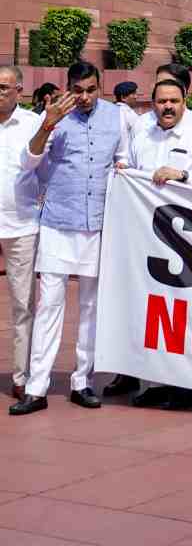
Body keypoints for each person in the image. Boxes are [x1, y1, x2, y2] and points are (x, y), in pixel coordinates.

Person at [11, 62, 129, 416]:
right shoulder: (50, 116)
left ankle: (82, 381)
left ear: (101, 86)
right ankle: (36, 387)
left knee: (91, 306)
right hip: (58, 223)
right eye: (78, 91)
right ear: (69, 88)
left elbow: (122, 160)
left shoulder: (118, 117)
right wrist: (47, 124)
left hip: (98, 224)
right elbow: (29, 161)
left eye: (91, 90)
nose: (85, 97)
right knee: (50, 305)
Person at [122, 78, 192, 411]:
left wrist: (182, 177)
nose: (167, 107)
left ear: (184, 102)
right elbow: (131, 172)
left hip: (186, 244)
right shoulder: (141, 134)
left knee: (182, 312)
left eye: (174, 101)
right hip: (145, 239)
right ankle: (157, 382)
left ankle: (184, 387)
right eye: (161, 101)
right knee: (151, 311)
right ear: (153, 104)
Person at [0, 66, 41, 402]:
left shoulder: (32, 123)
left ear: (19, 90)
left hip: (22, 224)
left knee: (22, 304)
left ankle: (21, 376)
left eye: (5, 87)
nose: (0, 92)